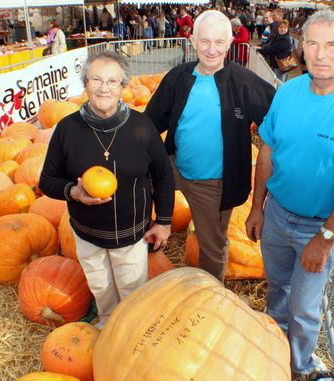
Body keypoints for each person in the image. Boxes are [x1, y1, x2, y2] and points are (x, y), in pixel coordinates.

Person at [245, 10, 334, 381]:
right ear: (301, 49)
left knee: (305, 307)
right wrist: (256, 208)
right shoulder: (288, 92)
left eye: (331, 45)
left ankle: (301, 367)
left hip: (317, 227)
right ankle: (274, 357)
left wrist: (325, 239)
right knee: (276, 290)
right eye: (312, 44)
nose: (320, 54)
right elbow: (267, 152)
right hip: (275, 216)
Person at [39, 51, 174, 328]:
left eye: (112, 81)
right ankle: (107, 325)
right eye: (96, 79)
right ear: (85, 83)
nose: (104, 87)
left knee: (132, 290)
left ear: (123, 86)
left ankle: (130, 333)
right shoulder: (66, 129)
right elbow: (47, 180)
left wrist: (164, 222)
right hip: (87, 234)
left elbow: (163, 176)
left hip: (130, 236)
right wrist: (72, 192)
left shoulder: (142, 127)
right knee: (101, 288)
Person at [145, 10, 275, 283]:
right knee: (130, 186)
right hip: (173, 166)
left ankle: (209, 294)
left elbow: (279, 120)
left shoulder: (244, 82)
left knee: (212, 247)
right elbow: (148, 123)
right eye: (205, 41)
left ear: (230, 44)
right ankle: (138, 246)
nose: (212, 49)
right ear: (192, 41)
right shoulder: (178, 78)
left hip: (213, 184)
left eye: (219, 42)